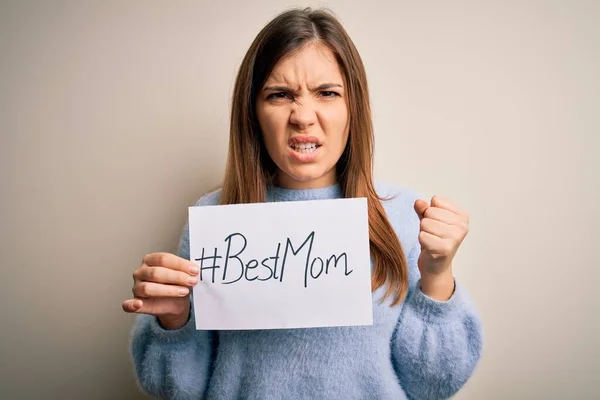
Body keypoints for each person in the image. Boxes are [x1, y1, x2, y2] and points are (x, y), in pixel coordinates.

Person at [122, 7, 483, 400]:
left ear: (353, 108)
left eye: (327, 93)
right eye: (279, 95)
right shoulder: (214, 221)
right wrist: (173, 320)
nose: (303, 117)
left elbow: (433, 385)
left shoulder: (403, 216)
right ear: (254, 114)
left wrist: (437, 275)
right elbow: (175, 388)